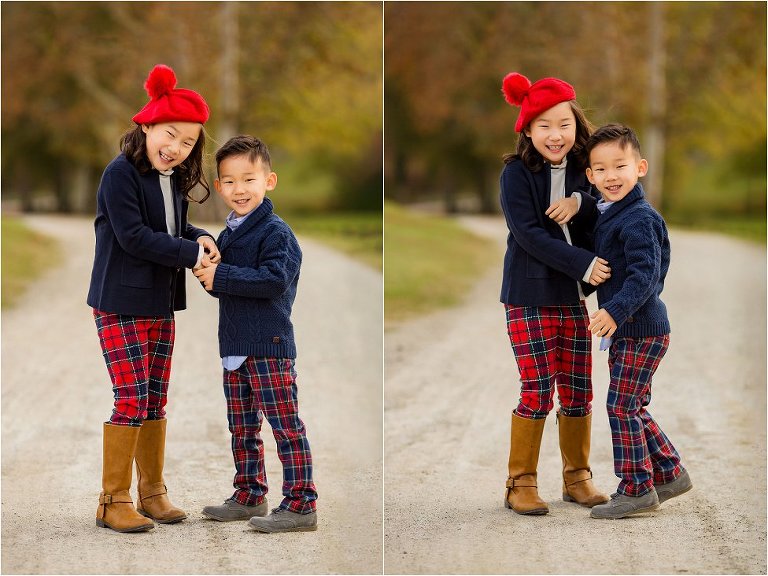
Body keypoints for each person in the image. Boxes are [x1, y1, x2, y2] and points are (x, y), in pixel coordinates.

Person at [87, 64, 221, 533]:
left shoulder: (173, 177)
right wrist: (190, 254)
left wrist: (199, 237)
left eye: (188, 142)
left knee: (155, 398)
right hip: (120, 303)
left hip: (159, 305)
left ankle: (152, 492)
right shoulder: (119, 174)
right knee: (131, 397)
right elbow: (135, 237)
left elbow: (173, 228)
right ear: (146, 125)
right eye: (170, 134)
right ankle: (112, 500)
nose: (176, 148)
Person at [499, 72, 611, 515]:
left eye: (564, 124)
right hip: (527, 296)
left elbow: (608, 201)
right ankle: (520, 482)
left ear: (576, 125)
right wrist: (582, 263)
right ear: (528, 129)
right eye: (543, 125)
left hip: (572, 298)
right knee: (537, 387)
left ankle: (577, 477)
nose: (555, 134)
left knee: (579, 387)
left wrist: (580, 202)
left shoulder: (587, 170)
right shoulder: (515, 174)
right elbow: (528, 234)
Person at [195, 135, 318, 533]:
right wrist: (208, 274)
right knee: (242, 428)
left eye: (249, 179)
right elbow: (225, 286)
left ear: (269, 181)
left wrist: (222, 275)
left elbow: (273, 280)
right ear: (219, 187)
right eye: (230, 181)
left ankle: (301, 504)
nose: (240, 189)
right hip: (235, 347)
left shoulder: (276, 233)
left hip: (269, 346)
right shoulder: (229, 233)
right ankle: (249, 494)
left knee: (285, 427)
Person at [583, 123, 692, 519]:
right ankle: (670, 472)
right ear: (590, 175)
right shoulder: (612, 214)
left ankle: (637, 488)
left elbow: (645, 276)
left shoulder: (638, 218)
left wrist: (615, 310)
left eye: (620, 166)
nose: (611, 176)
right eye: (601, 169)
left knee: (621, 406)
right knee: (632, 405)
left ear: (640, 167)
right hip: (631, 331)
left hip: (641, 330)